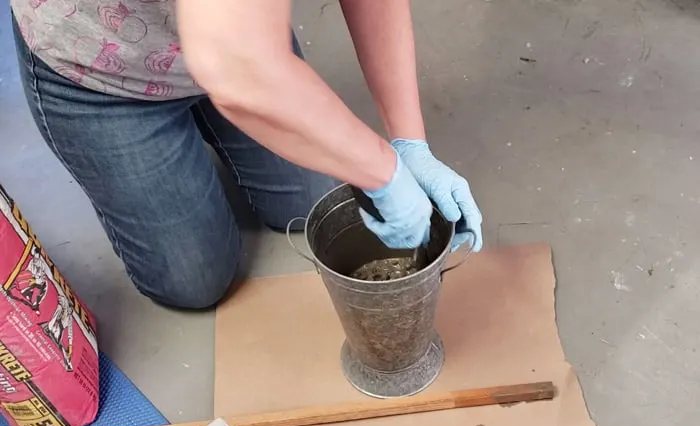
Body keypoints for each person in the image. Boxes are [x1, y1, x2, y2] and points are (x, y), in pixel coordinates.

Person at [10, 0, 483, 309]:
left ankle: (234, 96)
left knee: (313, 205)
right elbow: (233, 69)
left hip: (240, 41)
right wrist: (384, 172)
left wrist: (409, 143)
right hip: (103, 71)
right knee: (195, 281)